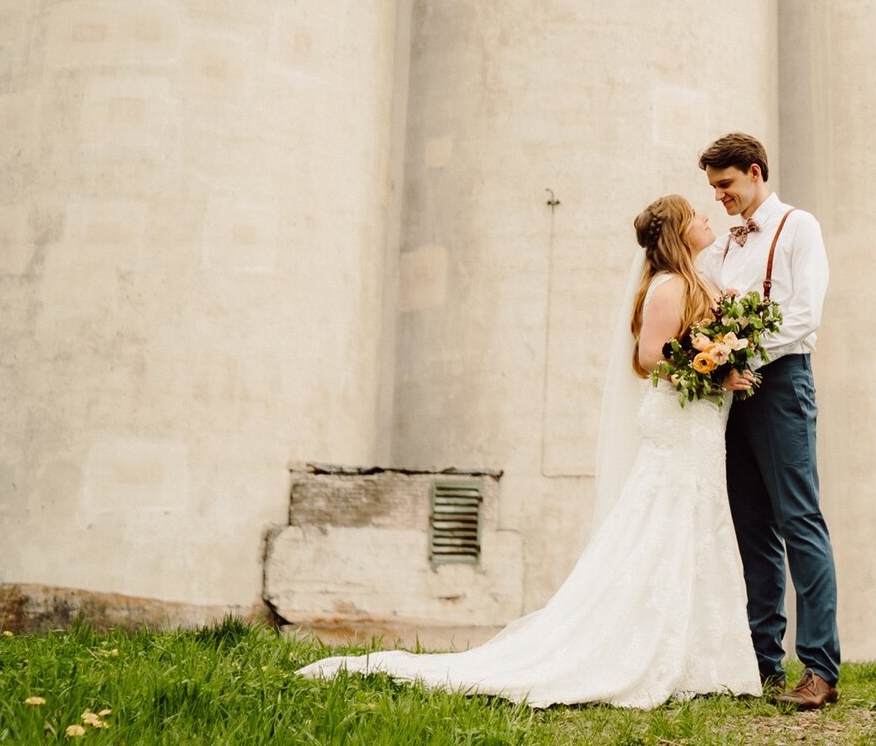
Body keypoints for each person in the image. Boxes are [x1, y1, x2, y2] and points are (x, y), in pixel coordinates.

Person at [297, 196, 764, 709]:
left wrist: (723, 360)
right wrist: (713, 369)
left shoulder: (696, 281)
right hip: (676, 425)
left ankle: (704, 658)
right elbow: (649, 356)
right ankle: (639, 648)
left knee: (697, 524)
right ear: (678, 230)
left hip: (695, 424)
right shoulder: (670, 285)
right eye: (695, 214)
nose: (705, 217)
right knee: (663, 524)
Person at [698, 131, 841, 710]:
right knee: (751, 527)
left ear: (755, 172)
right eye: (712, 189)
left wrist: (739, 356)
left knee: (798, 519)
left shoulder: (798, 227)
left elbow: (805, 314)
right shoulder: (722, 247)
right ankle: (762, 663)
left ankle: (820, 668)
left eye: (726, 185)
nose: (719, 198)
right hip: (728, 395)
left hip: (781, 384)